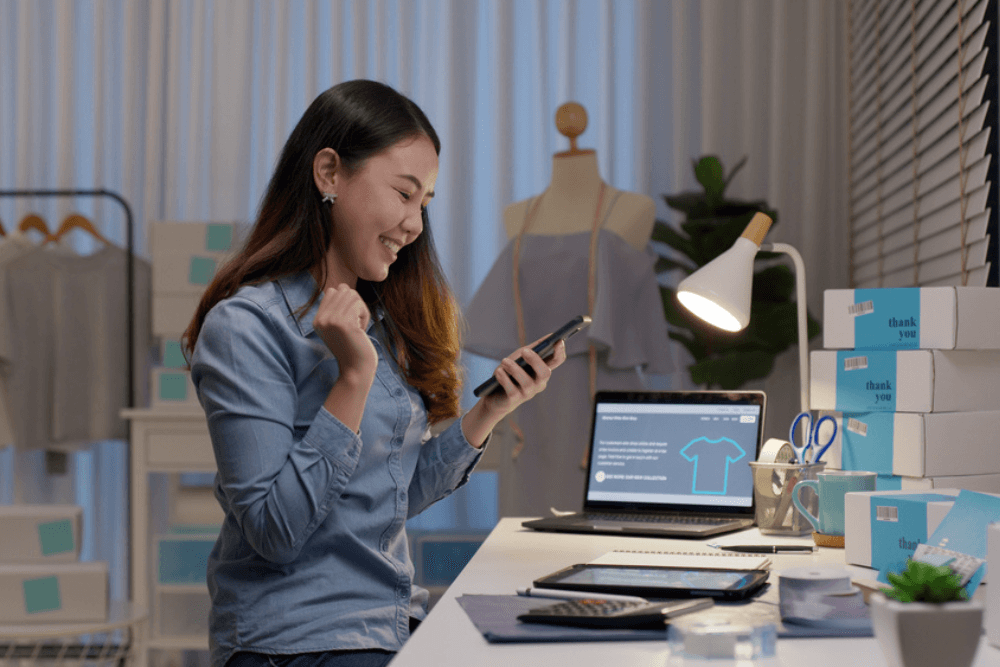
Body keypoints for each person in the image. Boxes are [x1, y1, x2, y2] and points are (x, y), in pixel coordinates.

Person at [183, 79, 565, 667]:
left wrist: (491, 409)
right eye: (404, 193)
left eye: (425, 203)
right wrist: (352, 376)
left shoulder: (376, 322)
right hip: (295, 641)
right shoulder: (246, 329)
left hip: (386, 623)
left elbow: (387, 495)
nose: (414, 224)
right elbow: (274, 532)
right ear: (329, 173)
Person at [464, 113, 674, 518]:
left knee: (618, 532)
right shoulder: (518, 215)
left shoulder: (633, 209)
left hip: (607, 393)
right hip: (532, 402)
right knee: (528, 533)